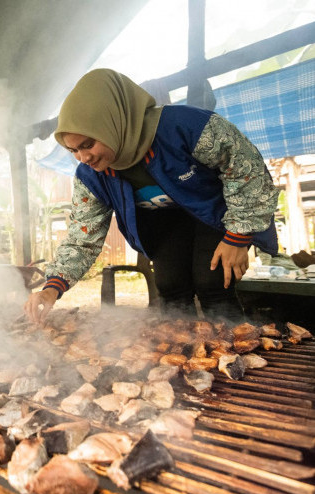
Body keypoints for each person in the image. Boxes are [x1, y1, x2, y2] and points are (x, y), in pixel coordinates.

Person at [25, 69, 279, 324]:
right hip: (163, 222)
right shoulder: (90, 175)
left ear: (113, 122)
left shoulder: (188, 127)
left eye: (88, 144)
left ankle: (232, 349)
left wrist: (238, 237)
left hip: (215, 213)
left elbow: (248, 171)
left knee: (212, 281)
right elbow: (83, 236)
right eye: (73, 150)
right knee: (171, 286)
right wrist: (51, 288)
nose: (83, 158)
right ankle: (184, 349)